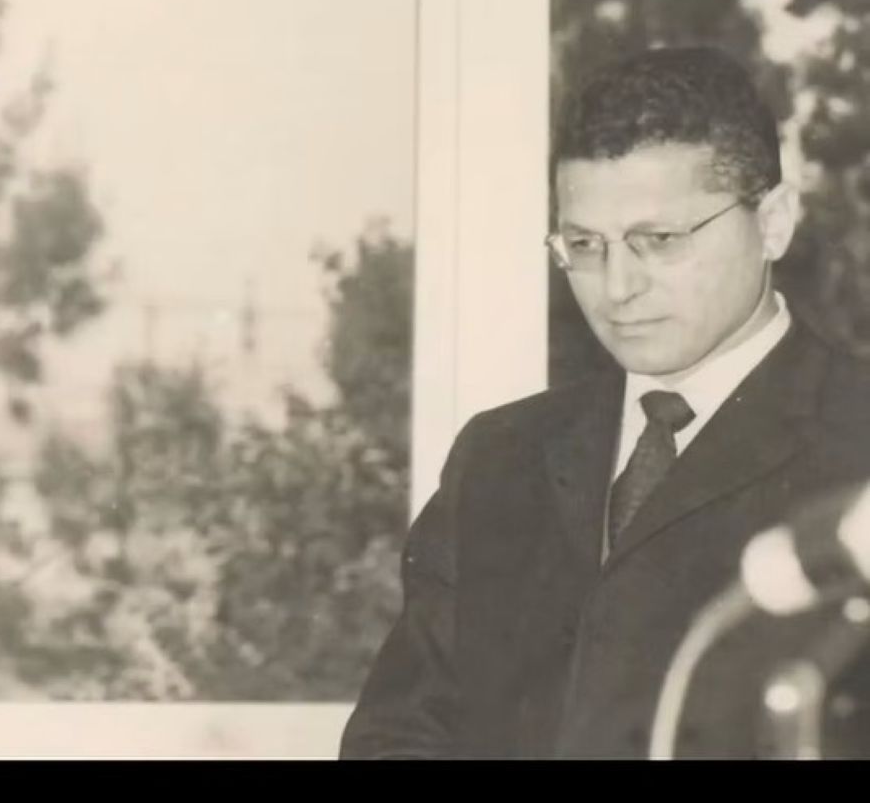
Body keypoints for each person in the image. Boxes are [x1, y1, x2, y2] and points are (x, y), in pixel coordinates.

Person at [341, 46, 870, 758]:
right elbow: (399, 734)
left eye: (658, 241)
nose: (616, 286)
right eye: (585, 245)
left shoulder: (857, 443)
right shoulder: (500, 458)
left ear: (772, 222)